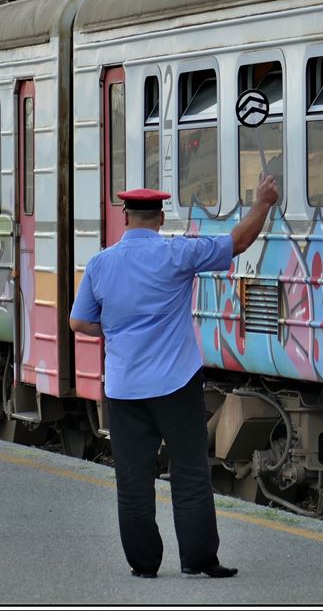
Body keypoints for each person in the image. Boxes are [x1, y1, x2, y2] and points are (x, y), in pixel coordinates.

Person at [69, 175, 279, 579]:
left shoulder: (100, 264)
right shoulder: (178, 254)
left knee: (132, 478)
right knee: (189, 472)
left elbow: (79, 321)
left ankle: (144, 565)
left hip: (125, 388)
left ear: (125, 218)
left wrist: (112, 330)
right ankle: (199, 560)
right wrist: (263, 204)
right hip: (176, 385)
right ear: (161, 218)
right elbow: (236, 243)